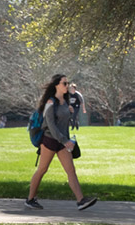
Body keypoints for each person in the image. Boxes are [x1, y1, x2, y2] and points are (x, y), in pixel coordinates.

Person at [25, 74, 98, 211]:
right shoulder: (50, 103)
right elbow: (50, 125)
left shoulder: (65, 101)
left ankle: (81, 200)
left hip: (63, 142)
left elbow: (62, 122)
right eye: (64, 83)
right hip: (50, 141)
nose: (67, 86)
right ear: (56, 85)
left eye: (67, 83)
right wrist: (65, 140)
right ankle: (30, 199)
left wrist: (69, 115)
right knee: (42, 170)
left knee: (71, 170)